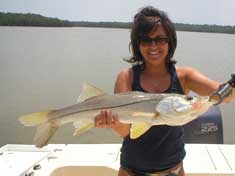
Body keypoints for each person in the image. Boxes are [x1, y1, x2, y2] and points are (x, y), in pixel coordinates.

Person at [94, 6, 235, 176]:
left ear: (170, 41)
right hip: (131, 171)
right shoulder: (126, 77)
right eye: (146, 40)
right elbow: (126, 132)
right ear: (138, 44)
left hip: (173, 171)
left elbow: (224, 96)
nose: (153, 46)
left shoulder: (185, 76)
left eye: (160, 39)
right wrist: (113, 123)